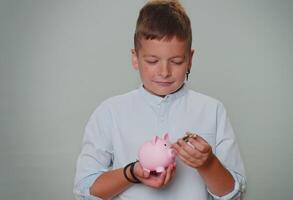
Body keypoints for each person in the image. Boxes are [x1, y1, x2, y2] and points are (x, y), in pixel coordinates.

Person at [73, 1, 246, 199]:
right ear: (135, 58)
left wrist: (208, 164)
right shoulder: (110, 112)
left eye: (176, 61)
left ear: (190, 59)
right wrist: (132, 173)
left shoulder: (213, 111)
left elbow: (235, 195)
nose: (164, 72)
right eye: (152, 61)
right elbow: (84, 190)